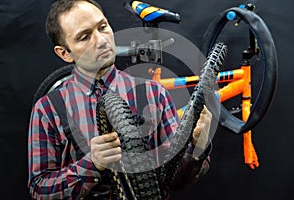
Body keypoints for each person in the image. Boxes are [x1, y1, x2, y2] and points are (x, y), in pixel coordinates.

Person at [27, 0, 213, 199]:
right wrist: (91, 165)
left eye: (103, 27)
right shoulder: (48, 110)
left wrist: (198, 147)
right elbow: (39, 189)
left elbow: (174, 180)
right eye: (84, 37)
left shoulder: (152, 93)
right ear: (64, 53)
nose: (100, 40)